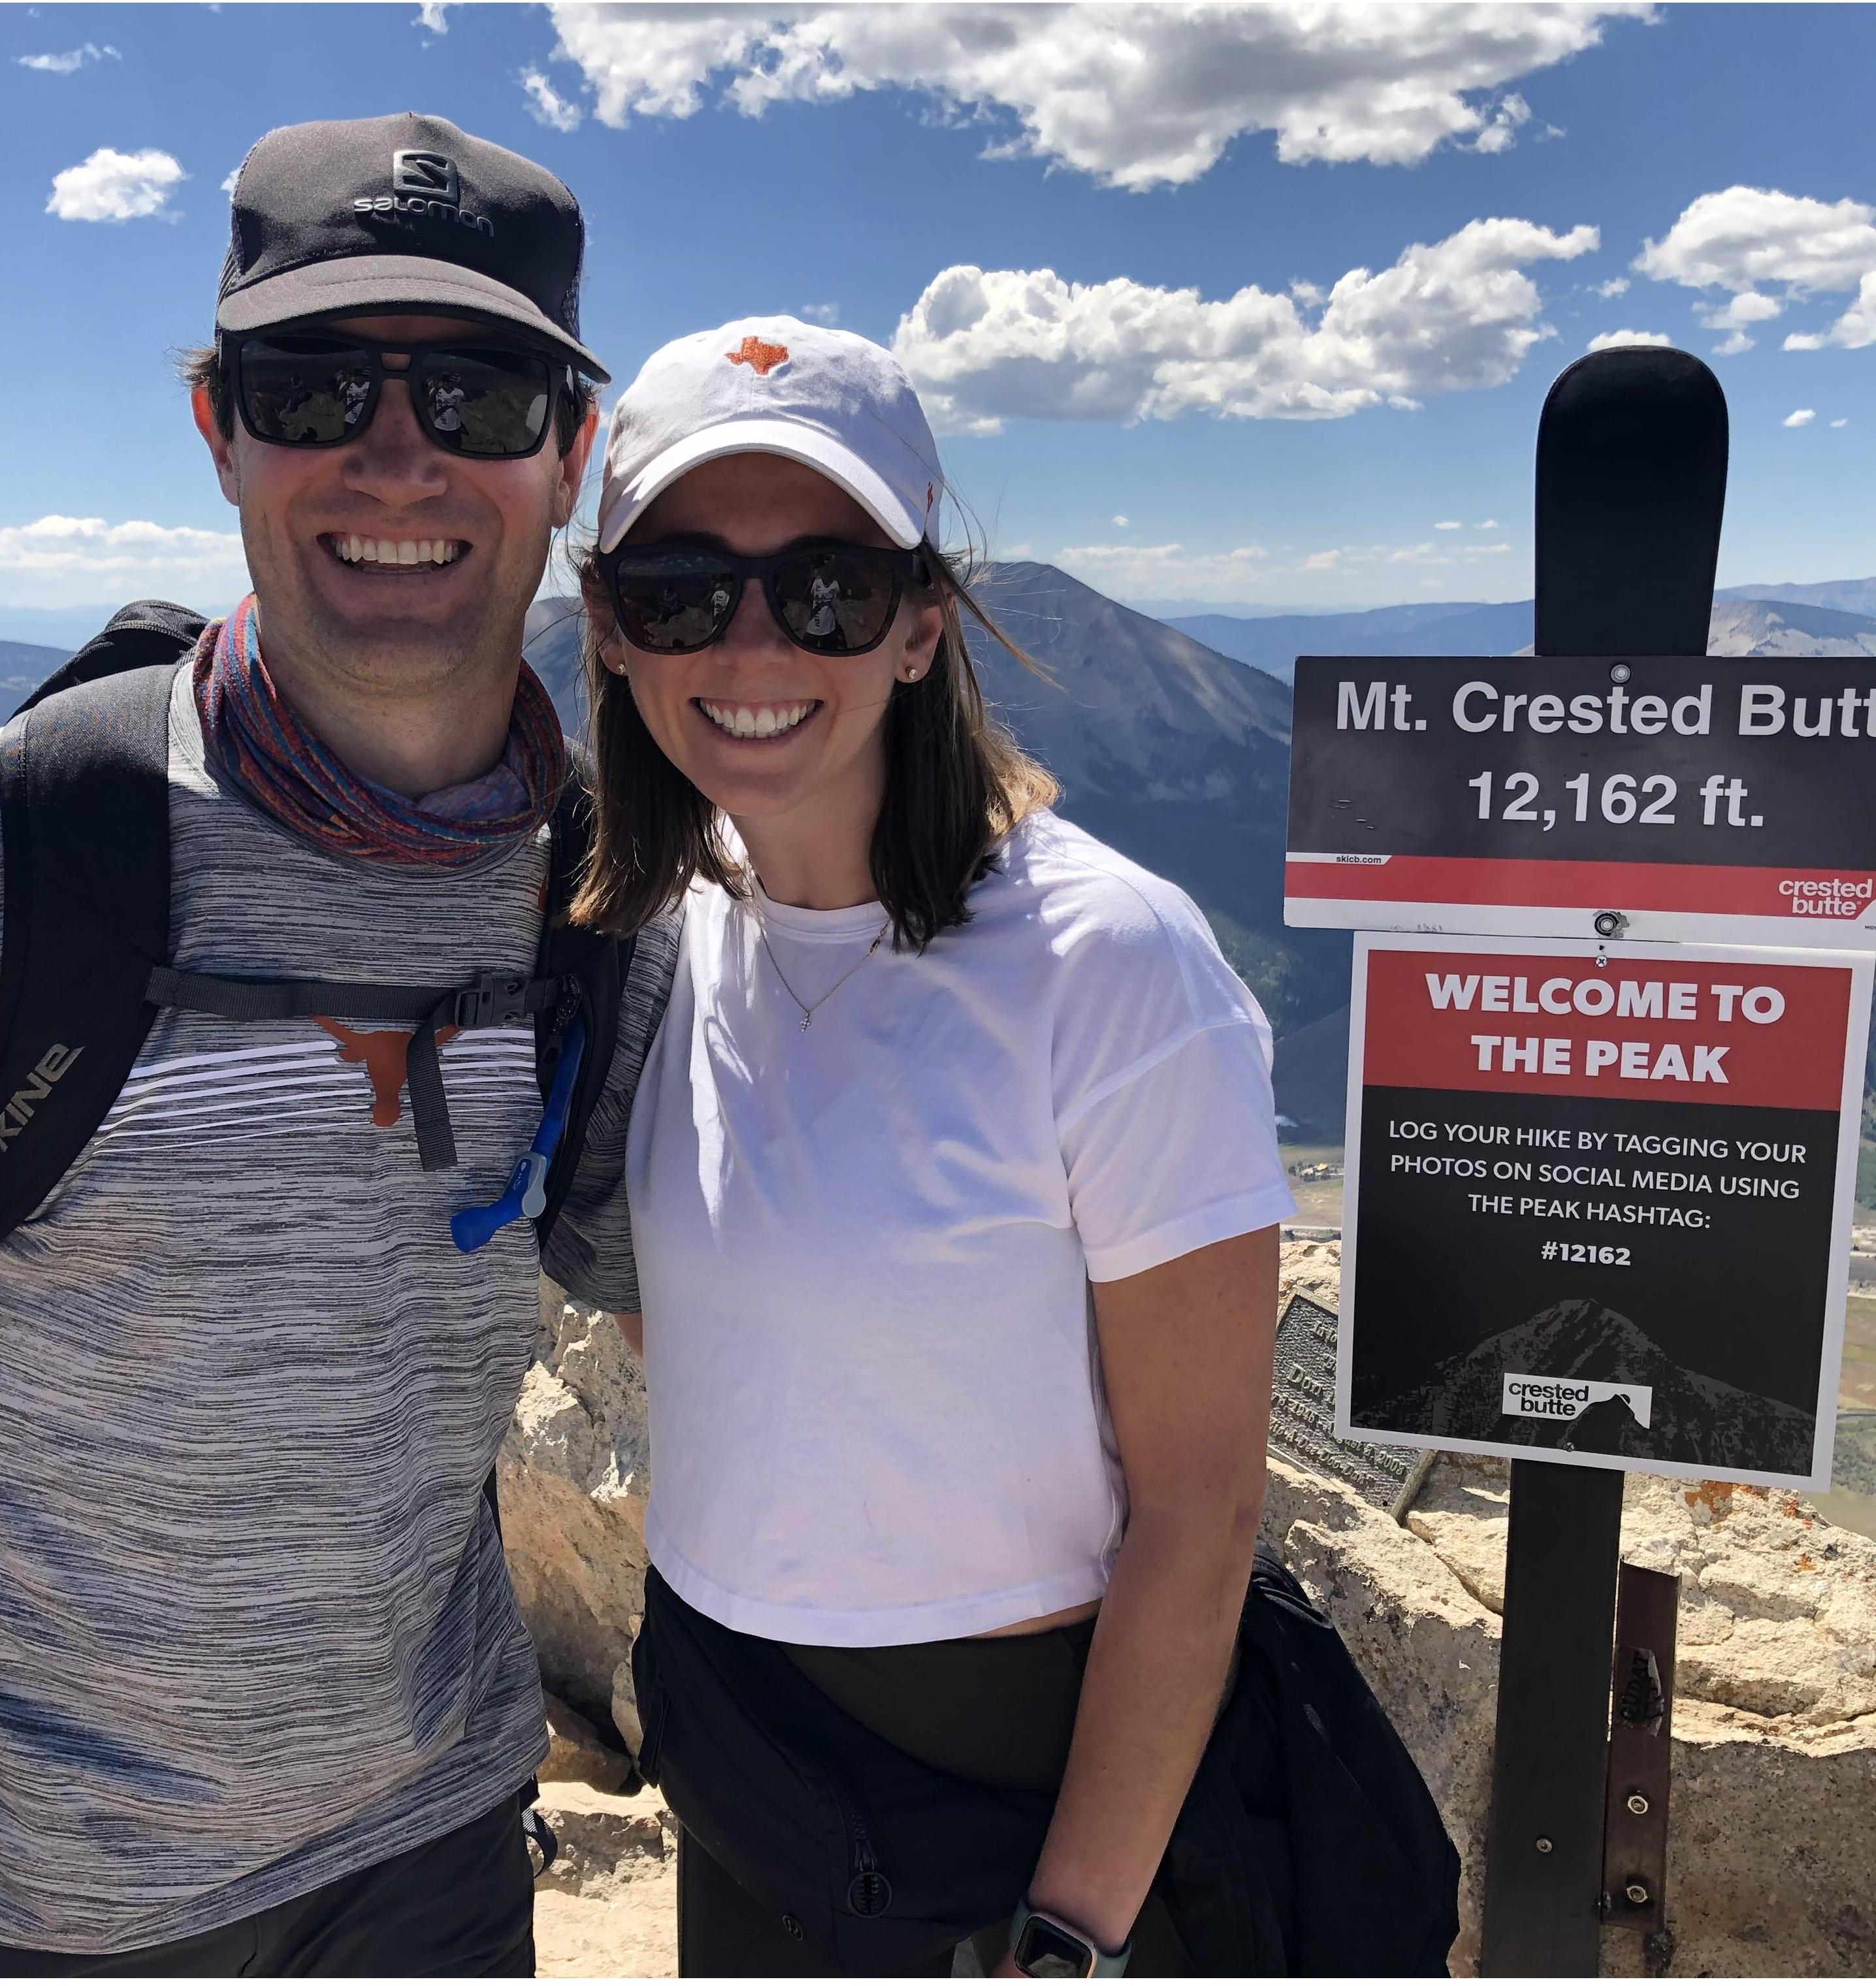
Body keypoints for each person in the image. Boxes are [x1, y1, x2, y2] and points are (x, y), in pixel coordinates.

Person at [0, 112, 663, 1973]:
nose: (396, 455)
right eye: (317, 383)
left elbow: (722, 1311)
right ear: (219, 427)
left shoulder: (594, 907)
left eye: (477, 392)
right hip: (43, 1903)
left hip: (446, 1850)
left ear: (569, 455)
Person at [567, 317, 1299, 1976]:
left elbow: (1200, 1501)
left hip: (1012, 1782)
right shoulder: (664, 936)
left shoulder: (1109, 961)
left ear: (919, 626)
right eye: (682, 588)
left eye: (823, 585)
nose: (751, 647)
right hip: (742, 1745)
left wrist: (1070, 1929)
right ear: (611, 631)